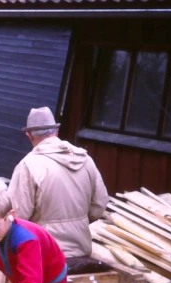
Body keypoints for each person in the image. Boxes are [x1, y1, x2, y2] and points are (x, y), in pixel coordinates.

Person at [7, 106, 109, 258]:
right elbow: (99, 207)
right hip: (82, 250)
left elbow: (17, 216)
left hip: (45, 254)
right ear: (56, 132)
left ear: (29, 135)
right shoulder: (86, 160)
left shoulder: (28, 166)